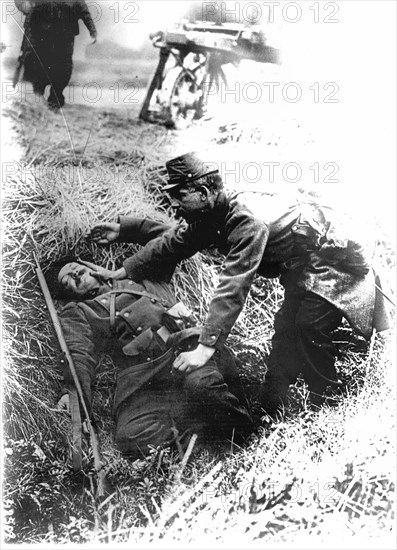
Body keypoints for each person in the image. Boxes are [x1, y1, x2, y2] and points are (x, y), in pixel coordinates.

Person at [90, 152, 390, 417]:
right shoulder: (215, 209)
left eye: (181, 198)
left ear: (204, 191)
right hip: (303, 269)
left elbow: (235, 282)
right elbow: (178, 241)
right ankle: (272, 407)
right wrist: (125, 265)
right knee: (285, 329)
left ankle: (327, 407)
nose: (177, 208)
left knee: (307, 327)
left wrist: (206, 346)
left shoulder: (247, 218)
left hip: (332, 266)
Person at [49, 255, 253, 459]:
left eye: (76, 267)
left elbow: (171, 242)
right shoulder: (79, 311)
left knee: (202, 387)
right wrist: (75, 397)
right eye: (67, 280)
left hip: (186, 351)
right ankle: (198, 447)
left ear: (92, 267)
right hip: (145, 379)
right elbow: (78, 354)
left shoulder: (141, 275)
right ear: (69, 294)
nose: (74, 274)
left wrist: (124, 231)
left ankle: (249, 435)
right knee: (131, 435)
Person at [14, 0, 97, 110]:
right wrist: (23, 4)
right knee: (39, 66)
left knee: (64, 70)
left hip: (65, 35)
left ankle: (55, 100)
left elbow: (82, 8)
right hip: (41, 32)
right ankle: (38, 98)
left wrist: (92, 30)